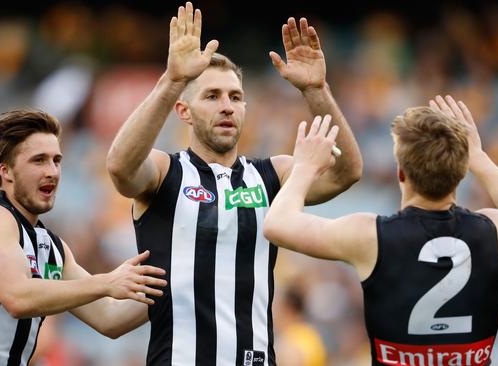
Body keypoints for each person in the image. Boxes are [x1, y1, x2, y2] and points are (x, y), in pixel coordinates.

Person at [105, 2, 362, 365]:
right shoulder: (167, 172)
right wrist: (172, 81)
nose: (227, 105)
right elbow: (120, 168)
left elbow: (347, 172)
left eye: (235, 97)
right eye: (212, 96)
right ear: (184, 111)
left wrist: (316, 90)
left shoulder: (272, 175)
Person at [263, 95, 498, 365]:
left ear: (400, 173)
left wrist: (303, 167)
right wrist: (478, 157)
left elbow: (278, 223)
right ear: (462, 173)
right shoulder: (495, 233)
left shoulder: (370, 237)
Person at [0, 110, 168, 366]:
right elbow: (17, 297)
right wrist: (107, 281)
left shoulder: (52, 247)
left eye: (56, 161)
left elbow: (109, 318)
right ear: (6, 171)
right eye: (39, 160)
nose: (52, 171)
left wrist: (176, 284)